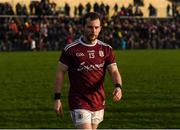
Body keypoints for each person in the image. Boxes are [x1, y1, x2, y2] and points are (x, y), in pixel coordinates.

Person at [54, 12, 123, 129]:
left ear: (100, 28)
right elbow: (60, 72)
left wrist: (118, 87)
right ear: (83, 27)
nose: (93, 30)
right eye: (90, 27)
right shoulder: (71, 49)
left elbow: (114, 71)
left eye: (96, 27)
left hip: (98, 100)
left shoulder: (106, 49)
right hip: (79, 100)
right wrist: (57, 98)